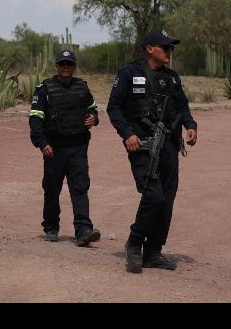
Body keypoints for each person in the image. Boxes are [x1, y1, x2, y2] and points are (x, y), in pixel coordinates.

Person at [106, 30, 198, 273]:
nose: (169, 52)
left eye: (171, 48)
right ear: (150, 49)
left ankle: (154, 252)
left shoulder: (172, 78)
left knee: (167, 201)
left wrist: (190, 125)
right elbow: (114, 107)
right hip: (143, 146)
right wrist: (127, 134)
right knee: (154, 197)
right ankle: (134, 243)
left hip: (169, 146)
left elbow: (182, 106)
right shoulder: (129, 73)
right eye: (165, 47)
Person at [29, 49, 101, 247]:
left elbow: (93, 109)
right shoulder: (44, 89)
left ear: (74, 67)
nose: (66, 67)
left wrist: (93, 118)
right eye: (62, 64)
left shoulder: (82, 87)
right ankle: (51, 227)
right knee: (52, 189)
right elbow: (35, 118)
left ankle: (83, 230)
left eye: (69, 64)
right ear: (57, 66)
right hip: (54, 148)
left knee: (80, 188)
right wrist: (42, 143)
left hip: (78, 147)